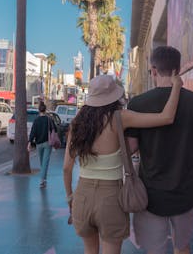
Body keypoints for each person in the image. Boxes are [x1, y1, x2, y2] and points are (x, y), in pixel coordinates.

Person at [63, 73, 183, 254]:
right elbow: (166, 117)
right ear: (114, 97)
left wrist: (70, 197)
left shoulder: (77, 124)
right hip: (111, 197)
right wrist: (177, 86)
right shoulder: (120, 117)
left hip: (82, 196)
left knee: (89, 250)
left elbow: (66, 168)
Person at [125, 46, 193, 254]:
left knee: (155, 249)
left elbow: (130, 147)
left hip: (151, 195)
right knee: (182, 246)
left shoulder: (138, 103)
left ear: (153, 70)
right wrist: (187, 143)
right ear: (178, 70)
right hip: (186, 193)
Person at [27, 101, 56, 188]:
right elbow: (55, 129)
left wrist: (29, 143)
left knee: (42, 162)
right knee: (45, 163)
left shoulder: (36, 120)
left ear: (39, 110)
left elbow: (33, 132)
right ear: (45, 110)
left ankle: (43, 180)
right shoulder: (49, 119)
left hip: (39, 144)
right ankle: (43, 180)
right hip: (48, 143)